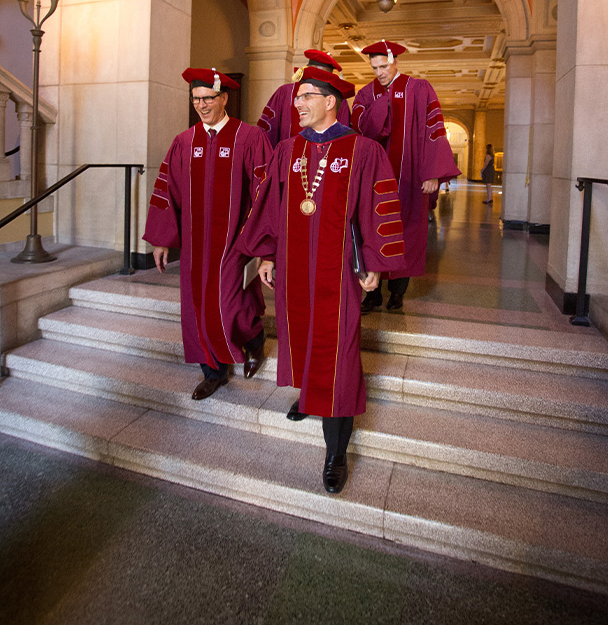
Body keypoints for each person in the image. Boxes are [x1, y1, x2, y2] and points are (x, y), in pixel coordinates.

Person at [238, 65, 406, 494]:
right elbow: (271, 205)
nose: (297, 103)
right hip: (294, 269)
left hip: (340, 269)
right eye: (297, 97)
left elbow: (379, 207)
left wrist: (374, 262)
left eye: (306, 96)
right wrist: (266, 254)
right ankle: (312, 396)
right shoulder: (288, 149)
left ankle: (336, 452)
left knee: (340, 353)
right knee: (302, 336)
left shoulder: (363, 150)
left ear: (330, 101)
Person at [143, 68, 272, 400]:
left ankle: (253, 337)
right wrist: (161, 239)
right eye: (196, 99)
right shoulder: (184, 142)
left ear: (224, 98)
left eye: (208, 98)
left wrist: (263, 245)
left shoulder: (249, 137)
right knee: (197, 306)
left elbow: (265, 192)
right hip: (195, 245)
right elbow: (167, 190)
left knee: (232, 303)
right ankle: (213, 372)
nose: (201, 105)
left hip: (235, 241)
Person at [351, 40, 460, 313]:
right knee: (372, 231)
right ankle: (372, 293)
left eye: (384, 66)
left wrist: (432, 173)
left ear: (395, 61)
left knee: (408, 232)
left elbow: (434, 129)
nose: (380, 73)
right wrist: (383, 104)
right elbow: (360, 128)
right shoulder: (366, 94)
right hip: (373, 179)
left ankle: (398, 293)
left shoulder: (419, 89)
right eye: (375, 68)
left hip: (411, 177)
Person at [257, 49, 350, 146]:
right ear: (307, 69)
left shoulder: (337, 98)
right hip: (289, 152)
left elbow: (343, 135)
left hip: (325, 153)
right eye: (317, 74)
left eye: (325, 77)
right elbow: (269, 130)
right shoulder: (284, 92)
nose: (320, 80)